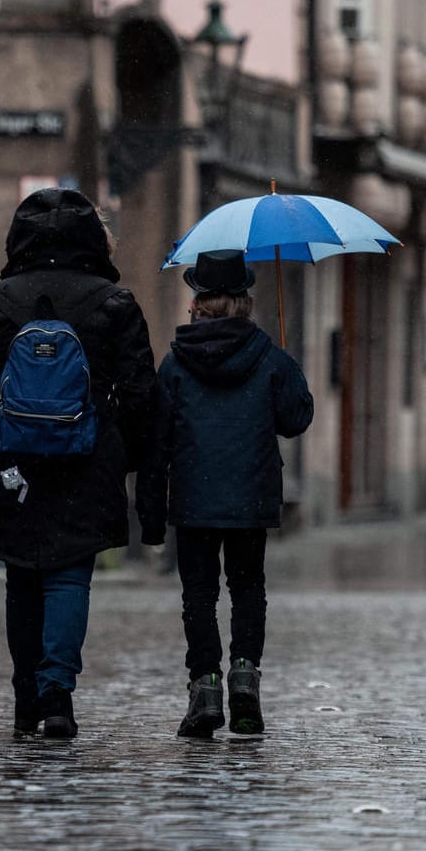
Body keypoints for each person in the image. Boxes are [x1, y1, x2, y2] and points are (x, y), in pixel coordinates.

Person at [0, 188, 157, 739]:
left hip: (14, 463)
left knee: (22, 577)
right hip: (87, 462)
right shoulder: (114, 302)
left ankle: (24, 697)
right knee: (69, 578)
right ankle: (57, 692)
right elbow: (141, 392)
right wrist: (123, 457)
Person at [137, 250, 313, 737]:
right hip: (249, 499)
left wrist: (150, 516)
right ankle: (245, 682)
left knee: (199, 594)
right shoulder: (268, 358)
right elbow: (297, 419)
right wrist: (285, 366)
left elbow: (156, 446)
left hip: (194, 500)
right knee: (247, 589)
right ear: (245, 302)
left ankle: (206, 687)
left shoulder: (175, 366)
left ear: (198, 303)